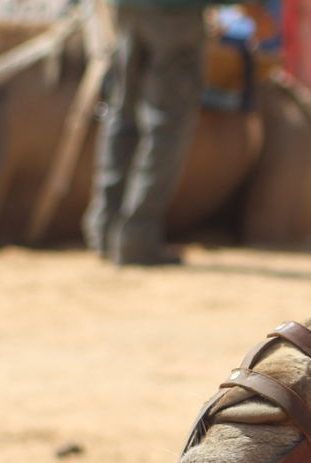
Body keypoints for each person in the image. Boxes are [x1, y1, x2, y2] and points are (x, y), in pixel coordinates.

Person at [84, 0, 212, 266]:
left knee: (122, 113)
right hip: (173, 13)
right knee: (165, 125)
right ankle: (136, 239)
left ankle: (105, 230)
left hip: (127, 8)